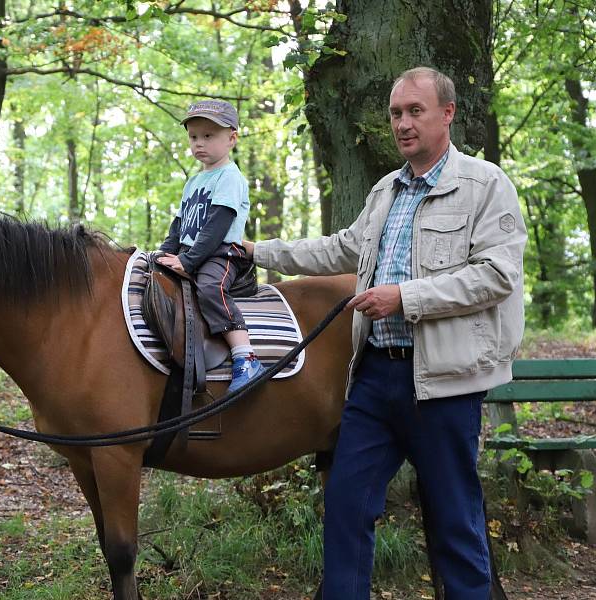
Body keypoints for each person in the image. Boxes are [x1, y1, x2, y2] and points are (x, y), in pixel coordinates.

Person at [244, 67, 526, 599]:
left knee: (454, 524)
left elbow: (497, 275)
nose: (402, 123)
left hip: (444, 385)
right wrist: (258, 251)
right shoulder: (386, 191)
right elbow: (339, 249)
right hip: (373, 379)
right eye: (396, 113)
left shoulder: (485, 184)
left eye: (415, 111)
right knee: (346, 510)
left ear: (447, 114)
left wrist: (405, 296)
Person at [157, 99, 263, 393]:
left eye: (208, 136)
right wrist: (163, 254)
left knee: (208, 288)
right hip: (192, 253)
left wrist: (189, 262)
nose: (199, 143)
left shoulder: (230, 177)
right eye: (193, 137)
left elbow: (217, 225)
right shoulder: (194, 181)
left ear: (231, 138)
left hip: (222, 253)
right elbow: (179, 226)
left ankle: (246, 356)